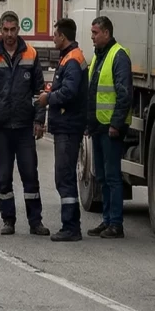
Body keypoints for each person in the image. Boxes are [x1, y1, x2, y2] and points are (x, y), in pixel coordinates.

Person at [0, 10, 49, 236]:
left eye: (13, 30)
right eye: (5, 30)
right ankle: (8, 220)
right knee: (4, 176)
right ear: (0, 30)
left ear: (19, 29)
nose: (9, 34)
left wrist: (39, 119)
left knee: (30, 175)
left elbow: (40, 90)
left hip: (24, 127)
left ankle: (35, 221)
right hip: (1, 129)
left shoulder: (31, 54)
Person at [37, 18, 88, 242]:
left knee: (64, 177)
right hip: (67, 126)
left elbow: (69, 92)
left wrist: (48, 98)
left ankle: (71, 227)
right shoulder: (69, 57)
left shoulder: (73, 60)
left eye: (55, 34)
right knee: (64, 176)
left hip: (69, 127)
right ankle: (70, 225)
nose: (53, 37)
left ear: (63, 36)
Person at [85, 16, 132, 239]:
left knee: (112, 177)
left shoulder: (118, 55)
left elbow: (124, 93)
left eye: (95, 33)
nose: (92, 37)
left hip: (110, 127)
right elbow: (93, 90)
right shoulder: (99, 56)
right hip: (98, 126)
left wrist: (116, 123)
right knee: (102, 176)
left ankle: (116, 224)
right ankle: (106, 221)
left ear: (106, 33)